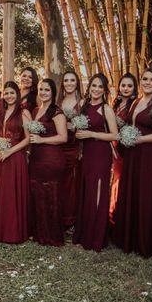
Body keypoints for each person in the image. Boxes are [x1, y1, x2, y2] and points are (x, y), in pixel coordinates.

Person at [111, 66, 152, 262]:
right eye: (145, 79)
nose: (147, 82)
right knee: (135, 193)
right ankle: (131, 238)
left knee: (148, 195)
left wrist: (141, 140)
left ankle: (149, 242)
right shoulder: (136, 102)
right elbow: (131, 125)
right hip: (133, 156)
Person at [73, 74, 118, 252]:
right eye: (94, 86)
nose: (96, 89)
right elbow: (80, 130)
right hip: (87, 154)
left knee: (98, 190)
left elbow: (115, 135)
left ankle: (97, 236)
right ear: (89, 87)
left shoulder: (106, 108)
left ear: (104, 90)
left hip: (101, 153)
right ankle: (85, 232)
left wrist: (92, 135)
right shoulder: (84, 106)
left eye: (100, 86)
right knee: (87, 190)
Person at [0, 81, 31, 243]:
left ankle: (12, 232)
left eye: (12, 93)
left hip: (14, 156)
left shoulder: (24, 112)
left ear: (17, 94)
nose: (9, 96)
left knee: (11, 193)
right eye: (6, 93)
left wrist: (9, 152)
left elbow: (27, 138)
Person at [28, 78, 68, 246]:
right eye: (41, 89)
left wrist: (41, 140)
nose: (43, 92)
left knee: (51, 194)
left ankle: (53, 235)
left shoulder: (56, 112)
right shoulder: (37, 110)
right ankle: (40, 233)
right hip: (36, 158)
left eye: (47, 90)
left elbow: (63, 137)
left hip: (51, 158)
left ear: (53, 93)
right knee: (38, 194)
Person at [109, 73, 138, 223]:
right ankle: (113, 215)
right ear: (119, 87)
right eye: (123, 85)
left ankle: (119, 217)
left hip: (126, 148)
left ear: (134, 88)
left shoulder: (135, 105)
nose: (126, 88)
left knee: (122, 181)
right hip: (114, 145)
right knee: (115, 180)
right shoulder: (114, 104)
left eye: (129, 85)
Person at [58, 70, 83, 230]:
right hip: (58, 147)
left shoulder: (83, 103)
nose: (69, 83)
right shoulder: (57, 102)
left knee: (72, 185)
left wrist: (74, 126)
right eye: (66, 80)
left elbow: (88, 125)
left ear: (77, 83)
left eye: (72, 80)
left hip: (74, 147)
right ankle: (59, 218)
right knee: (59, 183)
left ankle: (72, 221)